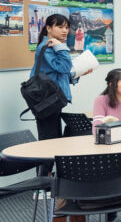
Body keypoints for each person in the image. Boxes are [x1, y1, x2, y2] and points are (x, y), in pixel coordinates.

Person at [30, 13, 94, 145]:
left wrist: (78, 74)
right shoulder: (46, 47)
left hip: (52, 99)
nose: (65, 31)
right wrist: (60, 46)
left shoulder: (52, 46)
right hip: (46, 100)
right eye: (60, 27)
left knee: (54, 140)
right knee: (49, 142)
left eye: (66, 27)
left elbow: (56, 74)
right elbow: (64, 67)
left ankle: (49, 165)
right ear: (48, 28)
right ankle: (45, 166)